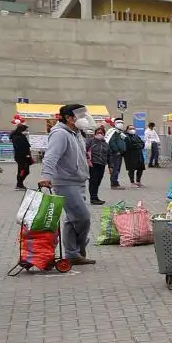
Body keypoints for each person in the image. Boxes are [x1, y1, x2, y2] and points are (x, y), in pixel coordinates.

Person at [39, 105, 97, 266]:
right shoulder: (60, 134)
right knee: (82, 217)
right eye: (79, 115)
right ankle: (77, 249)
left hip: (78, 181)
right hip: (65, 182)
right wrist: (46, 175)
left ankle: (73, 254)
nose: (83, 119)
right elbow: (51, 156)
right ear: (68, 118)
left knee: (72, 219)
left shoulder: (76, 133)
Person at [86, 125, 109, 204]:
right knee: (93, 181)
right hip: (93, 164)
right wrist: (88, 160)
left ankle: (95, 197)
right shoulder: (91, 141)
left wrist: (111, 166)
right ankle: (93, 198)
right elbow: (84, 150)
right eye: (98, 132)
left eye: (101, 133)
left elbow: (109, 155)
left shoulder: (105, 143)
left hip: (102, 164)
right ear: (95, 133)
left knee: (98, 181)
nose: (100, 134)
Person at [9, 119, 33, 189]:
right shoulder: (18, 137)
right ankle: (19, 184)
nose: (25, 131)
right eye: (25, 129)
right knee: (23, 170)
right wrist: (27, 155)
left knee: (24, 170)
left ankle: (20, 184)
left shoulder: (18, 135)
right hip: (22, 156)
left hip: (22, 156)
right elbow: (22, 148)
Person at [124, 121, 147, 187]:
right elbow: (130, 145)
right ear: (127, 130)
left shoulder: (136, 136)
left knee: (140, 168)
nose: (132, 130)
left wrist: (139, 146)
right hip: (130, 155)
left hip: (139, 154)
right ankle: (132, 182)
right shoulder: (126, 137)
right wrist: (138, 146)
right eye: (130, 129)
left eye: (133, 128)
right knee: (131, 169)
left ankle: (138, 181)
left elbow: (142, 143)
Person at [106, 120, 127, 190]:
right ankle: (114, 183)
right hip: (115, 154)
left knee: (117, 168)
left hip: (120, 154)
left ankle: (115, 182)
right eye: (119, 123)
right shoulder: (113, 132)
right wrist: (116, 151)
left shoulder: (120, 132)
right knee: (115, 168)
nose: (121, 124)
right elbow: (112, 142)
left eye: (122, 123)